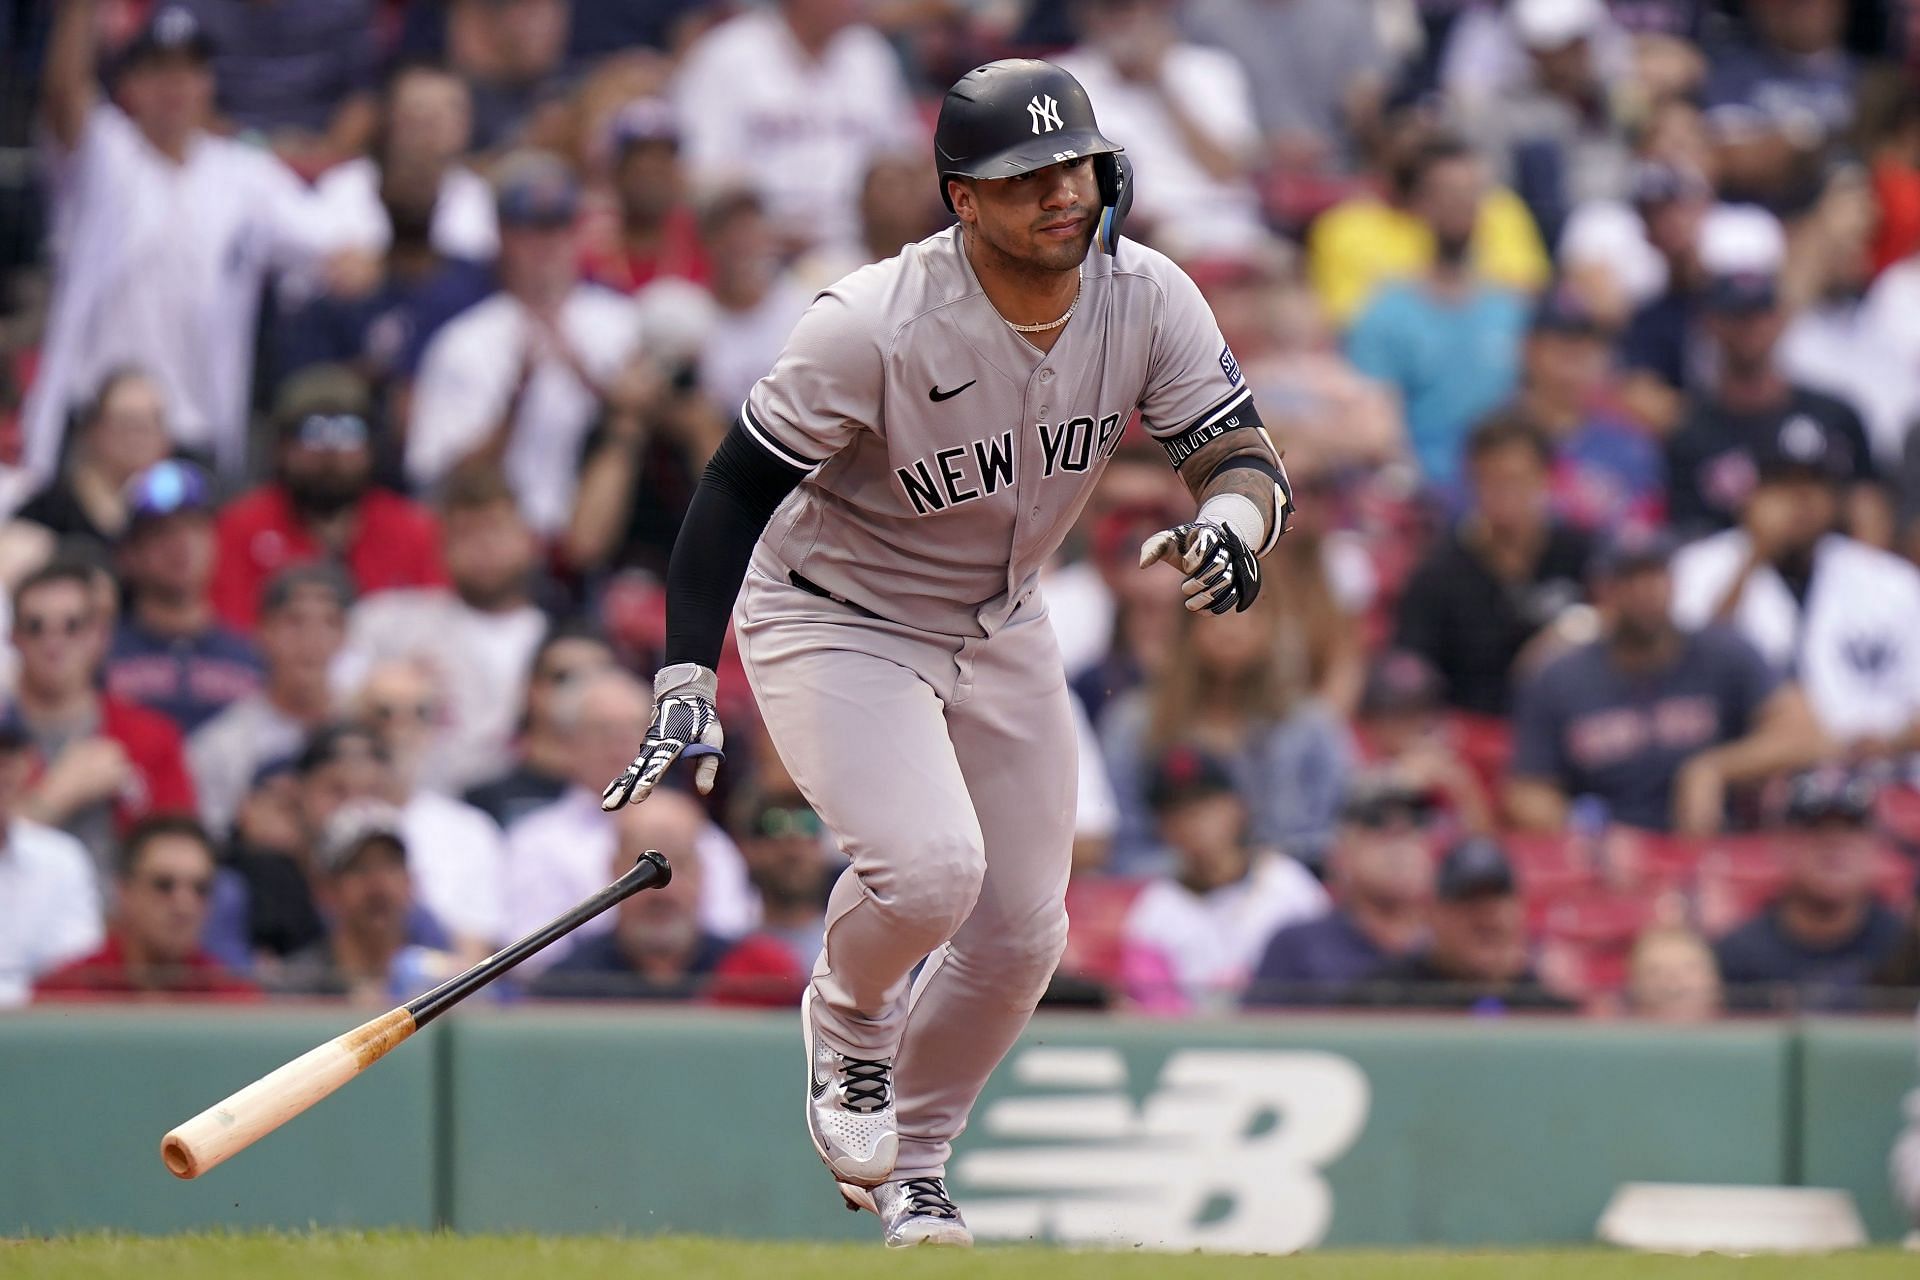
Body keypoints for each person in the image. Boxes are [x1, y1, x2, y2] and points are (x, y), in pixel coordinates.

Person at [597, 61, 1298, 1247]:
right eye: (1028, 177)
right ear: (963, 199)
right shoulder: (870, 321)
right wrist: (680, 674)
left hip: (1003, 614)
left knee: (1028, 929)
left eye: (1075, 163)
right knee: (929, 874)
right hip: (837, 611)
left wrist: (1233, 523)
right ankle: (851, 1010)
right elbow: (727, 492)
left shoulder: (1149, 294)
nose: (1064, 192)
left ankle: (915, 1164)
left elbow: (1237, 449)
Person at [26, 0, 345, 479]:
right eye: (158, 71)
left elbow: (333, 244)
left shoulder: (243, 173)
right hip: (96, 417)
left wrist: (354, 261)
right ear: (130, 85)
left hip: (194, 425)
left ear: (209, 83)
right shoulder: (106, 153)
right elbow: (64, 95)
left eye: (189, 71)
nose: (174, 86)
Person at [1506, 527, 1827, 834]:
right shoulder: (1561, 676)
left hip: (1714, 849)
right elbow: (1527, 791)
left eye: (1656, 575)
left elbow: (1808, 737)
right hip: (1611, 863)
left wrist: (1715, 768)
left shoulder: (1723, 652)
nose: (1646, 591)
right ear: (1604, 589)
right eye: (1630, 578)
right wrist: (1589, 830)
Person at [407, 152, 647, 539]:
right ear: (503, 235)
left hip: (615, 537)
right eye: (530, 230)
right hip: (502, 544)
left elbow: (651, 430)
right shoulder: (464, 340)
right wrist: (514, 403)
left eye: (558, 227)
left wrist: (593, 383)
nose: (546, 245)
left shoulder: (621, 322)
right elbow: (437, 478)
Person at [1671, 416, 1920, 756]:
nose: (1800, 499)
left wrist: (1891, 740)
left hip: (1881, 773)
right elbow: (1688, 681)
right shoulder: (1698, 568)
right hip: (1753, 776)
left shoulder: (1890, 581)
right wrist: (1755, 555)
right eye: (1782, 483)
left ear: (1836, 498)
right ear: (1752, 493)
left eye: (1814, 483)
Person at [1664, 206, 1886, 545]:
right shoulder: (1691, 432)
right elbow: (1692, 551)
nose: (1750, 327)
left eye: (1761, 311)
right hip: (1739, 583)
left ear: (1780, 318)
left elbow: (1870, 512)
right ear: (1711, 322)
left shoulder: (1835, 414)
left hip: (1837, 584)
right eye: (1736, 313)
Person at [504, 666, 754, 963]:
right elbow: (530, 956)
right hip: (579, 996)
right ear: (568, 743)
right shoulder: (535, 841)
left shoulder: (701, 834)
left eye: (636, 728)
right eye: (603, 730)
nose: (621, 742)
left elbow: (733, 932)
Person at [1101, 590, 1351, 874]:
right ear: (1187, 623)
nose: (1231, 627)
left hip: (1286, 894)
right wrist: (1202, 872)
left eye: (1247, 610)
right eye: (1215, 609)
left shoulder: (1310, 725)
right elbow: (1123, 845)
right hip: (1169, 894)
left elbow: (1336, 833)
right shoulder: (1135, 723)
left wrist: (1248, 870)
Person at [340, 466, 549, 796]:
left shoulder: (558, 640)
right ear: (441, 546)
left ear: (529, 540)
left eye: (495, 530)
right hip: (412, 798)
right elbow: (339, 705)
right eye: (466, 534)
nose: (484, 546)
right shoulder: (386, 622)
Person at [1345, 137, 1533, 489]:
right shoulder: (1384, 314)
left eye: (1471, 193)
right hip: (1425, 494)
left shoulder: (1511, 309)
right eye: (1447, 194)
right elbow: (1378, 428)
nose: (1461, 206)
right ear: (1419, 204)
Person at [670, 0, 920, 254]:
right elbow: (696, 168)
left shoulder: (869, 53)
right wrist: (764, 226)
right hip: (757, 255)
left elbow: (904, 156)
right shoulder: (726, 53)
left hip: (859, 249)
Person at [211, 367, 446, 633]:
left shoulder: (414, 531)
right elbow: (230, 633)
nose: (330, 452)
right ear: (281, 447)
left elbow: (436, 631)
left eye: (348, 432)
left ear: (371, 447)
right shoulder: (240, 528)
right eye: (312, 432)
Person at [1394, 414, 1593, 717]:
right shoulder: (1437, 575)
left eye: (1516, 480)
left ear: (1546, 478)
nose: (1504, 494)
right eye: (1490, 480)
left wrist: (1572, 632)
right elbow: (1412, 673)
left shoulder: (1580, 553)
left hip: (1573, 722)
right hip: (1476, 728)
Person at [12, 560, 197, 877]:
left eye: (72, 626)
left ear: (98, 635)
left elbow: (182, 855)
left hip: (123, 921)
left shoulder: (152, 735)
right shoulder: (5, 735)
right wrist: (56, 796)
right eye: (36, 626)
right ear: (14, 638)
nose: (53, 642)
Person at [1117, 745, 1328, 1012]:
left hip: (1282, 1040)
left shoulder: (1290, 883)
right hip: (1192, 1047)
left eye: (1204, 803)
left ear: (1237, 807)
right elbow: (1153, 1010)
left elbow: (1324, 975)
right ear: (1162, 827)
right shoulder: (1153, 910)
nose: (1193, 820)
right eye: (1176, 811)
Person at [1055, 0, 1265, 248]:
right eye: (1108, 10)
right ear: (1086, 16)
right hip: (1135, 238)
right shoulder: (1063, 79)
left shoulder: (1210, 68)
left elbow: (1227, 170)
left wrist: (1161, 84)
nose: (1120, 23)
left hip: (1231, 226)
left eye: (1128, 10)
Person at [351, 658, 508, 955]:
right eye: (384, 713)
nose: (401, 727)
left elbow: (476, 952)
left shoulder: (470, 830)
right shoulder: (333, 817)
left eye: (420, 713)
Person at [1714, 768, 1906, 1011]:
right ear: (1780, 843)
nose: (1834, 842)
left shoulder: (1904, 946)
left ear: (1875, 843)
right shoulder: (1738, 954)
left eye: (1852, 827)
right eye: (1815, 827)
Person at [1244, 776, 1439, 1007]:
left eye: (1414, 825)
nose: (1400, 844)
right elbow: (1259, 1038)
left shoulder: (1453, 947)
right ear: (1339, 855)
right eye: (1376, 824)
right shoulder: (1298, 946)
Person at [189, 564, 350, 837]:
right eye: (294, 622)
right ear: (262, 632)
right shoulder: (220, 745)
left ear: (345, 637)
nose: (312, 640)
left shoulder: (364, 727)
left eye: (330, 623)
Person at [104, 461, 261, 736]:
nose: (181, 544)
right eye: (161, 532)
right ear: (128, 554)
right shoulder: (101, 655)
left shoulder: (252, 657)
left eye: (195, 528)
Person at [33, 816, 256, 999]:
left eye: (201, 888)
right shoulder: (64, 994)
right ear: (124, 892)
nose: (185, 905)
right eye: (164, 885)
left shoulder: (232, 999)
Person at [272, 800, 464, 1004]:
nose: (378, 884)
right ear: (327, 889)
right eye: (359, 868)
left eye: (390, 865)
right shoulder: (295, 989)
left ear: (410, 882)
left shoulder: (444, 982)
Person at [309, 60, 499, 268]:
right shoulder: (344, 186)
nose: (431, 128)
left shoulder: (475, 194)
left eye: (447, 113)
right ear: (390, 119)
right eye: (418, 111)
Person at [527, 806, 724, 1000]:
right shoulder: (566, 985)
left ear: (702, 873)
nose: (664, 892)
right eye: (645, 870)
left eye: (680, 865)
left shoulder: (741, 967)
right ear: (614, 871)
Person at [1509, 286, 1664, 533]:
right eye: (1563, 350)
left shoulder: (1630, 445)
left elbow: (1644, 536)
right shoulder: (1496, 438)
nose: (1574, 365)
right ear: (1529, 351)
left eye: (1586, 351)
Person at [1360, 836, 1571, 1011]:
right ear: (1434, 913)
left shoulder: (1547, 1009)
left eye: (1496, 899)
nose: (1486, 916)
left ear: (1519, 910)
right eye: (1469, 900)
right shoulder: (1387, 998)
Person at [176, 0, 378, 174]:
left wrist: (319, 156)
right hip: (221, 158)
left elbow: (364, 99)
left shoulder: (343, 7)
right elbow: (174, 92)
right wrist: (255, 149)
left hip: (323, 163)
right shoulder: (193, 7)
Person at [461, 622, 615, 829]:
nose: (583, 691)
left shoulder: (642, 795)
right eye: (565, 677)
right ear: (532, 689)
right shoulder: (485, 800)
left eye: (599, 677)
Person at [0, 712, 103, 1006]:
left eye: (10, 751)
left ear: (28, 765)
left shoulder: (61, 858)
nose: (2, 765)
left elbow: (73, 975)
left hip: (40, 1038)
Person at [14, 370, 171, 552]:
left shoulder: (168, 512)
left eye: (154, 421)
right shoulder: (48, 512)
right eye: (127, 422)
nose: (141, 437)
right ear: (93, 429)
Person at [706, 788, 835, 1008]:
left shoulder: (850, 946)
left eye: (809, 826)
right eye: (774, 828)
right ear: (746, 848)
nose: (793, 849)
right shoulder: (725, 945)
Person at [580, 97, 710, 293]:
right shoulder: (582, 242)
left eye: (663, 159)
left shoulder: (705, 238)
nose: (652, 170)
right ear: (615, 170)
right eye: (639, 158)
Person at [1623, 924, 1723, 1022]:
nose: (1674, 982)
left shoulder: (1735, 1028)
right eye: (1656, 972)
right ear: (1635, 984)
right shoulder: (1616, 1029)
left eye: (1688, 969)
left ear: (1712, 979)